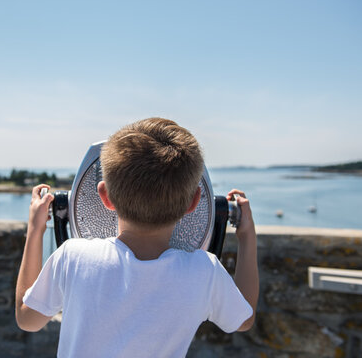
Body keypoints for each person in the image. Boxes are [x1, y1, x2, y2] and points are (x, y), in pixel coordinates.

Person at [15, 118, 259, 357]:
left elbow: (27, 319)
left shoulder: (73, 257)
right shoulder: (204, 271)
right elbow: (244, 319)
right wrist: (247, 236)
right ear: (195, 202)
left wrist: (35, 231)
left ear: (105, 196)